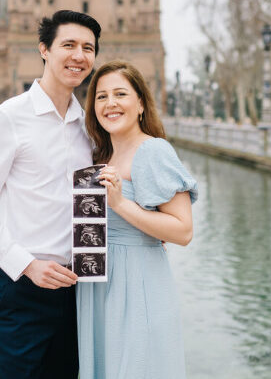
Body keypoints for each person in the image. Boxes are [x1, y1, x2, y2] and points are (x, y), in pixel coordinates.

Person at [0, 10, 101, 379]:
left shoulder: (90, 128)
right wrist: (27, 265)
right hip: (19, 286)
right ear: (44, 50)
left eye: (88, 48)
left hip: (77, 290)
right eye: (68, 45)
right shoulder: (8, 117)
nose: (79, 55)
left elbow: (91, 207)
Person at [78, 60, 197, 379]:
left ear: (141, 103)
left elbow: (183, 231)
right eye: (100, 97)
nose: (110, 103)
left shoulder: (153, 151)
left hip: (137, 284)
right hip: (96, 287)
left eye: (120, 94)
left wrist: (119, 203)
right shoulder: (98, 156)